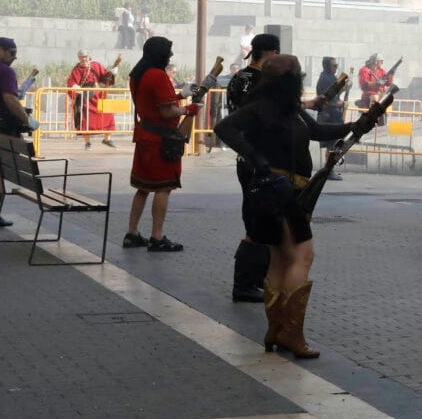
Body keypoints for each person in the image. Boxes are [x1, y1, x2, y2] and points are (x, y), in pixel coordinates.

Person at [215, 55, 355, 359]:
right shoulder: (262, 109)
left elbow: (317, 132)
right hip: (279, 193)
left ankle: (276, 330)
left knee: (280, 260)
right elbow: (224, 128)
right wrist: (258, 159)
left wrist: (357, 124)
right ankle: (291, 334)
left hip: (279, 192)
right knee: (302, 257)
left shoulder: (286, 109)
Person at [124, 37, 199, 252]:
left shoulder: (137, 74)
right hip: (160, 140)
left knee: (143, 187)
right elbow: (167, 111)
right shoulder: (158, 75)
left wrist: (180, 95)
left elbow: (155, 102)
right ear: (161, 54)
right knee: (163, 187)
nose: (171, 55)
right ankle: (157, 236)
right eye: (169, 51)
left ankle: (132, 233)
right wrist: (187, 109)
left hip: (144, 134)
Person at [223, 33, 281, 302]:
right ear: (270, 54)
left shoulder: (238, 78)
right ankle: (245, 282)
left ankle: (253, 280)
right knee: (259, 220)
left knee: (255, 217)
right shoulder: (261, 82)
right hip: (259, 157)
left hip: (245, 157)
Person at [0, 37, 34, 227]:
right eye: (11, 52)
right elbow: (9, 98)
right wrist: (28, 120)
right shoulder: (4, 71)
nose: (14, 57)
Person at [66, 51, 116, 148]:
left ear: (88, 56)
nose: (83, 59)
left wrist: (112, 73)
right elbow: (70, 82)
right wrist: (76, 87)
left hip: (98, 95)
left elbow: (105, 77)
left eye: (85, 57)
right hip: (85, 97)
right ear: (79, 58)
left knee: (108, 113)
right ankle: (87, 142)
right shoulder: (76, 69)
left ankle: (107, 139)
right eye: (81, 57)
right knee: (85, 118)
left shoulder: (96, 65)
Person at [314, 57, 348, 181]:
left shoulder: (331, 78)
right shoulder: (324, 79)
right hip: (328, 116)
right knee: (331, 145)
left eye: (336, 65)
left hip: (334, 116)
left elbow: (336, 93)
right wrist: (337, 104)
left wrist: (344, 87)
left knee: (333, 144)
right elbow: (324, 100)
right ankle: (328, 170)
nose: (336, 68)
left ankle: (330, 169)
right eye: (334, 66)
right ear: (327, 66)